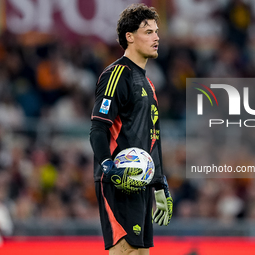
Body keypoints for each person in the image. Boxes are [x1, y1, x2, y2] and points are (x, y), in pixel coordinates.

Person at [89, 4, 173, 255]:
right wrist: (108, 166)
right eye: (148, 32)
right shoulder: (117, 74)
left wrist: (159, 185)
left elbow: (153, 140)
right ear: (129, 36)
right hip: (120, 180)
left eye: (157, 32)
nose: (156, 37)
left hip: (142, 184)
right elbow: (98, 128)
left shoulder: (148, 83)